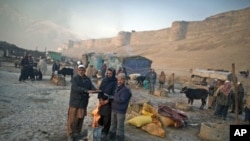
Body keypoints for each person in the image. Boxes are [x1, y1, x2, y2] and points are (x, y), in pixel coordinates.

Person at [66, 64, 98, 141]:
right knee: (72, 119)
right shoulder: (75, 78)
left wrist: (95, 90)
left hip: (83, 102)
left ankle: (77, 133)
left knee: (80, 118)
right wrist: (85, 90)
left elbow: (91, 86)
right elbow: (75, 88)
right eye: (80, 70)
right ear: (78, 70)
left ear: (84, 71)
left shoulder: (87, 79)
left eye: (82, 70)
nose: (81, 71)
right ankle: (70, 134)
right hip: (75, 102)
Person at [109, 73, 132, 141]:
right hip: (114, 109)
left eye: (121, 79)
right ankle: (111, 138)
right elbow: (117, 97)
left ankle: (119, 138)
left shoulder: (126, 90)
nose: (119, 81)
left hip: (121, 111)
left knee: (120, 126)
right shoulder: (117, 88)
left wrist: (113, 97)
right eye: (118, 79)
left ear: (124, 80)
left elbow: (122, 100)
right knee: (113, 124)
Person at [97, 67, 117, 139]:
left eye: (110, 73)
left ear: (113, 74)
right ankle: (99, 130)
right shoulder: (104, 80)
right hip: (101, 101)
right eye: (107, 73)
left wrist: (107, 101)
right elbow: (100, 90)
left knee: (107, 118)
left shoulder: (115, 82)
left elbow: (115, 94)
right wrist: (100, 98)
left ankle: (105, 132)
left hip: (109, 103)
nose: (108, 75)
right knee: (100, 116)